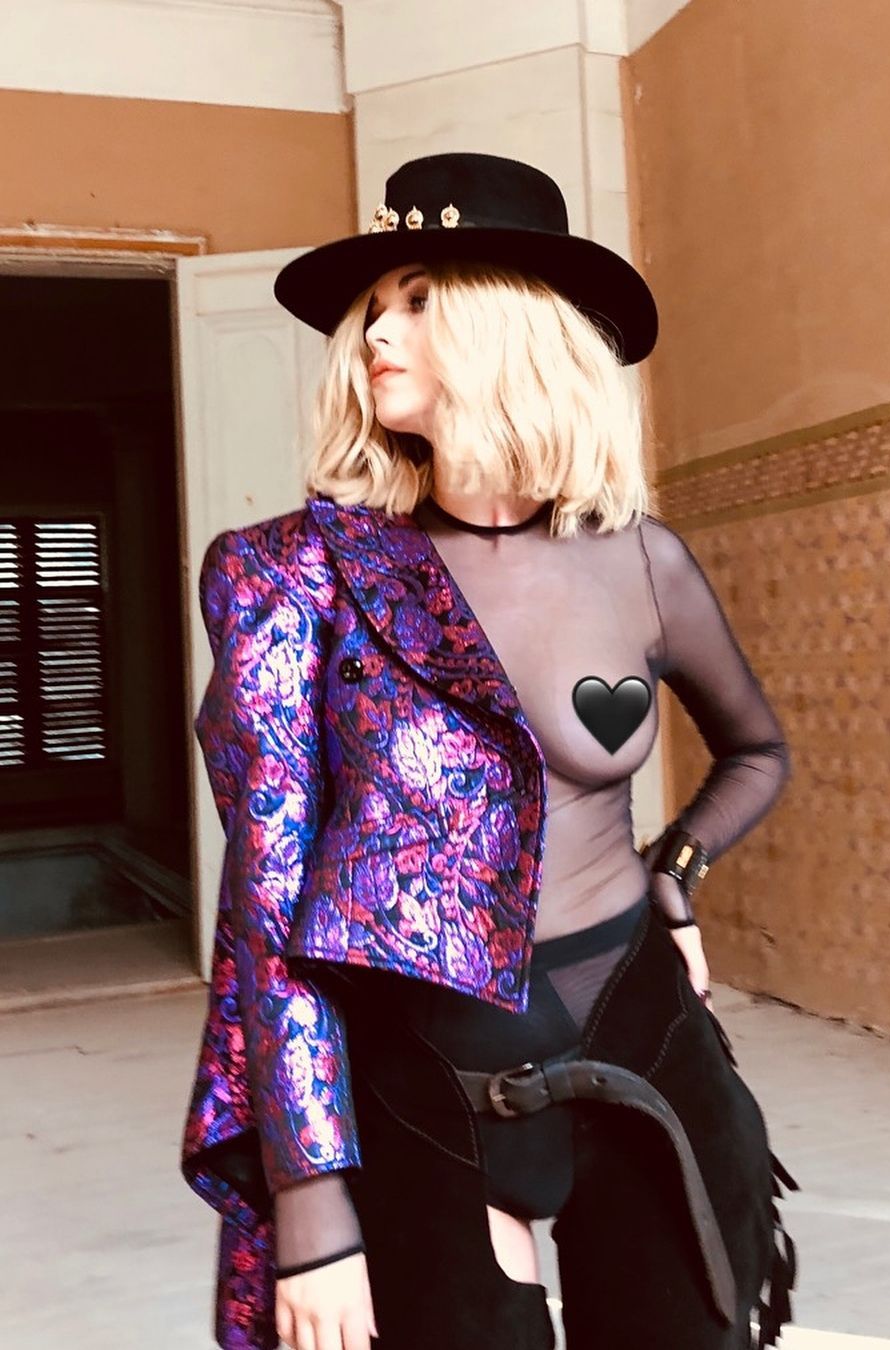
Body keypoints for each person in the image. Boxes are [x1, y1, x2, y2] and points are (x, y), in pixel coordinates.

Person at [181, 152, 800, 1350]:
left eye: (418, 299)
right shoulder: (290, 575)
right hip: (430, 1078)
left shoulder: (642, 560)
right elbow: (265, 910)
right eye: (374, 306)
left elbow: (755, 752)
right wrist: (311, 1208)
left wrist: (676, 874)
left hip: (647, 1041)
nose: (376, 332)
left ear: (515, 324)